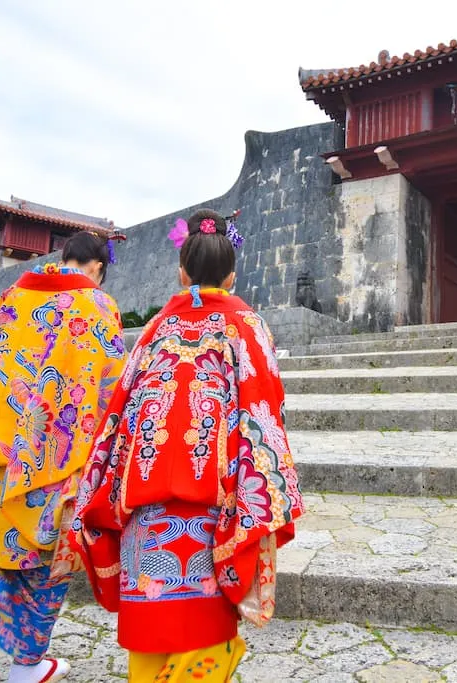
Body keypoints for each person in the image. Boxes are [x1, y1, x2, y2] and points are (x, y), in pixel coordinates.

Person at [73, 209, 304, 683]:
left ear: (182, 272)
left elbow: (120, 411)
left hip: (142, 511)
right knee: (212, 643)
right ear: (232, 276)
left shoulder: (155, 331)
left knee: (148, 646)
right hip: (210, 516)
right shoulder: (246, 325)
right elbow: (264, 409)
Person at [0, 231, 127, 683]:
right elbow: (114, 388)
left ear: (63, 257)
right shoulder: (99, 306)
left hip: (6, 444)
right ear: (95, 268)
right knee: (50, 558)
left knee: (0, 548)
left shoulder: (12, 297)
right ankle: (28, 667)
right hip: (64, 453)